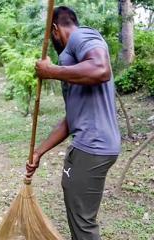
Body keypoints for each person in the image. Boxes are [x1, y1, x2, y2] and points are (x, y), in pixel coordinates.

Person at [29, 6, 121, 240]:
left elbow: (102, 69)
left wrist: (51, 71)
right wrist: (39, 152)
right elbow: (72, 118)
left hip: (92, 145)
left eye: (50, 36)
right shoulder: (71, 64)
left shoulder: (82, 36)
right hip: (93, 145)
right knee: (80, 217)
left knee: (83, 225)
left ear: (55, 29)